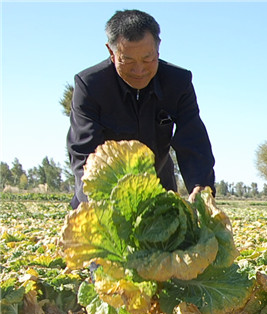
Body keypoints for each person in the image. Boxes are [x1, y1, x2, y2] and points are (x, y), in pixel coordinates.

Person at [67, 9, 216, 208]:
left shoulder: (178, 83)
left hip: (159, 195)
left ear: (158, 49)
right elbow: (84, 152)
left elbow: (193, 141)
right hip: (101, 197)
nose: (139, 71)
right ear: (111, 52)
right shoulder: (90, 86)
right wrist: (97, 203)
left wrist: (201, 186)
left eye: (148, 59)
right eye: (127, 60)